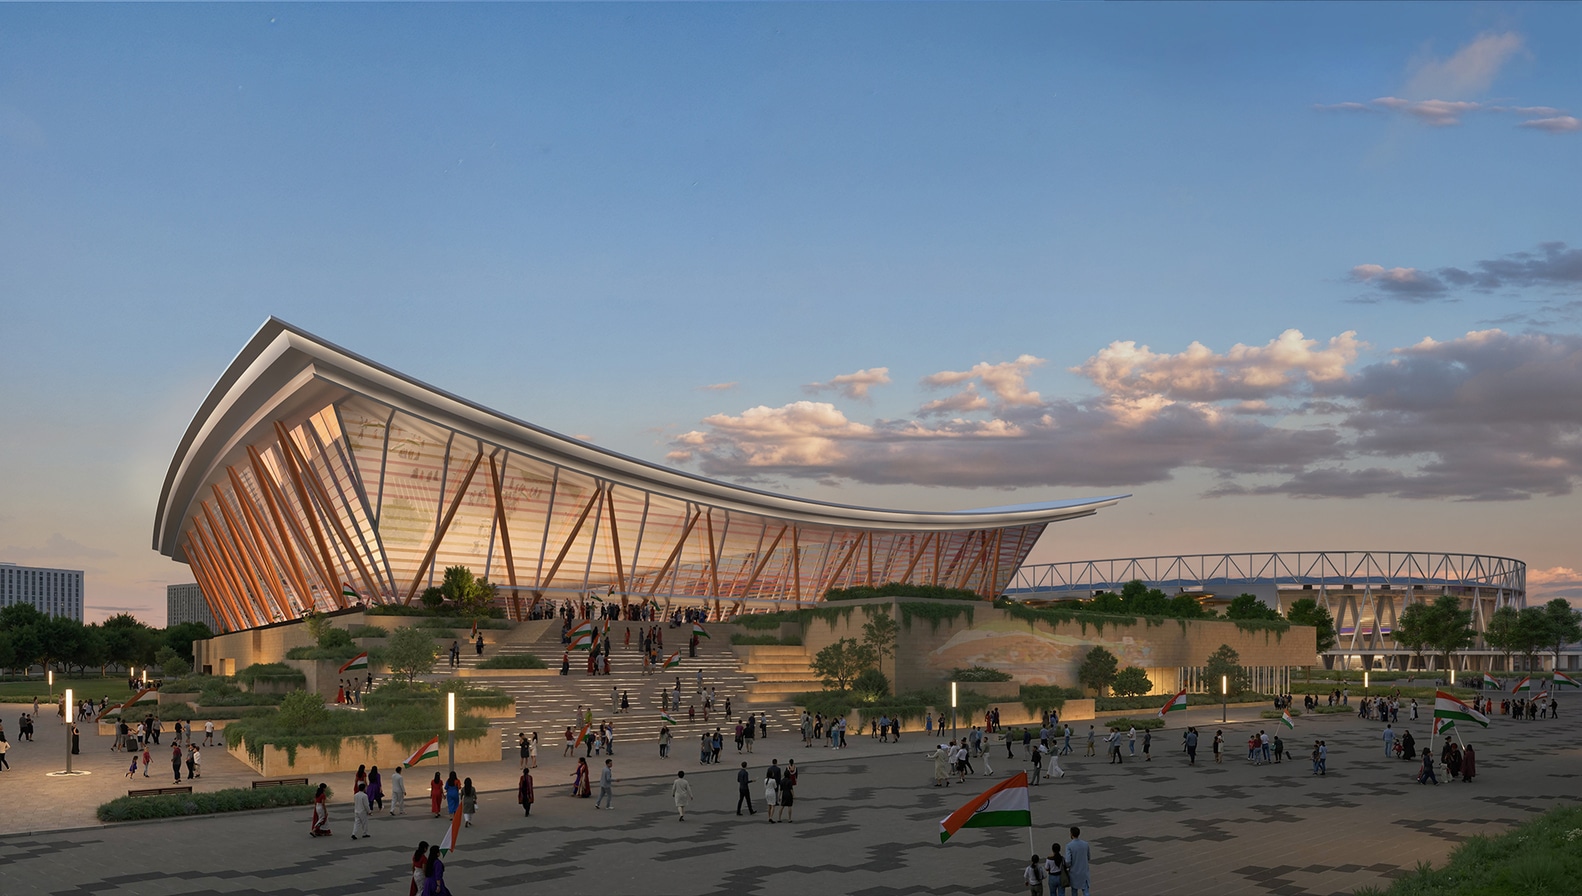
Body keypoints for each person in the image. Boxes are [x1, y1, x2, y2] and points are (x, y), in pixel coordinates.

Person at [1066, 826, 1092, 896]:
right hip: (1084, 872)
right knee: (1086, 891)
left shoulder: (1069, 846)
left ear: (1071, 834)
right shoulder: (1085, 844)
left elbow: (1068, 861)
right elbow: (1089, 857)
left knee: (1074, 891)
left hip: (1074, 873)